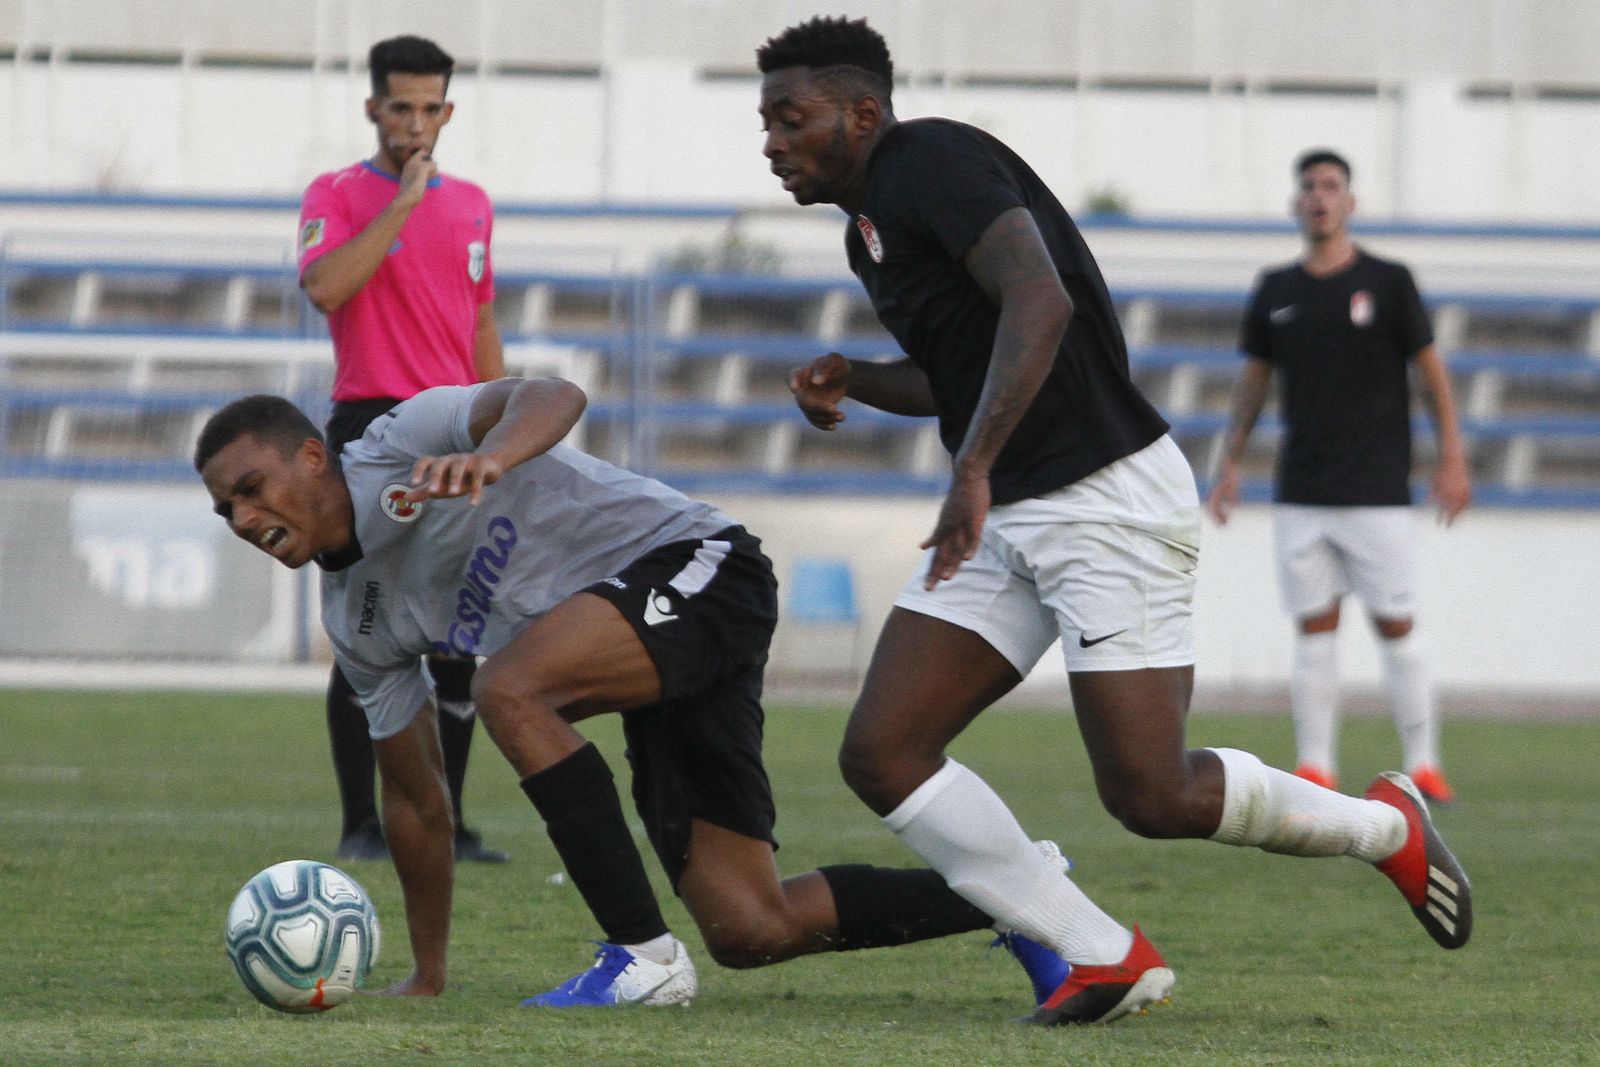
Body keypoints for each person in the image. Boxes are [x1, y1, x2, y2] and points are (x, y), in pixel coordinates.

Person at [758, 15, 1472, 1026]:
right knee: (883, 748)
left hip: (1102, 499)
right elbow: (962, 370)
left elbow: (1038, 304)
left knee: (1152, 795)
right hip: (1006, 504)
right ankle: (1102, 952)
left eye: (792, 118)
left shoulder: (930, 159)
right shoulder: (866, 229)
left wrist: (969, 467)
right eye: (766, 124)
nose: (773, 141)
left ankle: (1384, 826)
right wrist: (860, 379)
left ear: (863, 114)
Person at [193, 378, 1081, 1008]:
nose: (242, 519)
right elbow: (418, 801)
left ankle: (642, 957)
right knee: (751, 926)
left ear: (313, 458)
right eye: (224, 509)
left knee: (511, 689)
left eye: (250, 488)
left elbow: (555, 393)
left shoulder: (403, 439)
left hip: (701, 567)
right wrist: (428, 972)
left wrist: (491, 456)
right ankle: (1017, 888)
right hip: (641, 647)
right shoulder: (355, 622)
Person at [297, 34, 507, 863]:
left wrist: (501, 433)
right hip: (370, 427)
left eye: (430, 108)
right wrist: (402, 206)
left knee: (458, 641)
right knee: (368, 632)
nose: (415, 124)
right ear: (373, 108)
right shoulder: (339, 193)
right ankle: (362, 825)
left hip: (455, 431)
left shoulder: (476, 204)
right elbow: (324, 287)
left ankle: (443, 827)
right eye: (400, 107)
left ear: (447, 110)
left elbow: (481, 321)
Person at [1207, 149, 1471, 804]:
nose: (1320, 197)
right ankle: (1316, 766)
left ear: (1350, 202)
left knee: (1395, 624)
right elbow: (1254, 381)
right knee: (1314, 628)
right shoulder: (1276, 289)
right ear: (1296, 204)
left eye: (1331, 186)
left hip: (1378, 489)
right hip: (1302, 489)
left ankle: (1424, 763)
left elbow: (1431, 371)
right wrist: (1230, 460)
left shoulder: (1388, 281)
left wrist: (1452, 457)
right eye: (1309, 188)